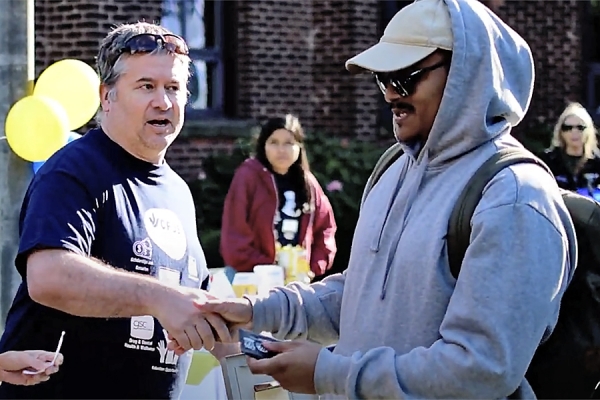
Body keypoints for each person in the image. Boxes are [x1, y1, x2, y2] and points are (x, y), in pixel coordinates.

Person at [196, 0, 577, 398]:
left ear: (469, 74)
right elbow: (362, 293)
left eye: (407, 76)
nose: (391, 93)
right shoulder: (395, 167)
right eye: (383, 78)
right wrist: (259, 311)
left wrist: (330, 374)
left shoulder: (515, 195)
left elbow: (480, 368)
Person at [0, 22, 231, 399]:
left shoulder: (179, 191)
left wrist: (251, 352)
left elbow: (194, 307)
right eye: (146, 87)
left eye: (173, 88)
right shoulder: (73, 169)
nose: (163, 102)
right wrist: (158, 298)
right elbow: (49, 276)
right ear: (106, 96)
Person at [220, 115, 337, 282]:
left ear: (299, 147)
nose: (281, 150)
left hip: (294, 280)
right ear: (263, 146)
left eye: (288, 143)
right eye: (274, 142)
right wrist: (266, 266)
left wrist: (313, 266)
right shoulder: (249, 176)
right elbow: (234, 231)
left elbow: (326, 228)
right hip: (250, 277)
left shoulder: (308, 183)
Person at [539, 102, 600, 197]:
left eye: (580, 127)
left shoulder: (597, 162)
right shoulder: (547, 161)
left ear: (588, 130)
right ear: (560, 132)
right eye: (567, 128)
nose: (574, 132)